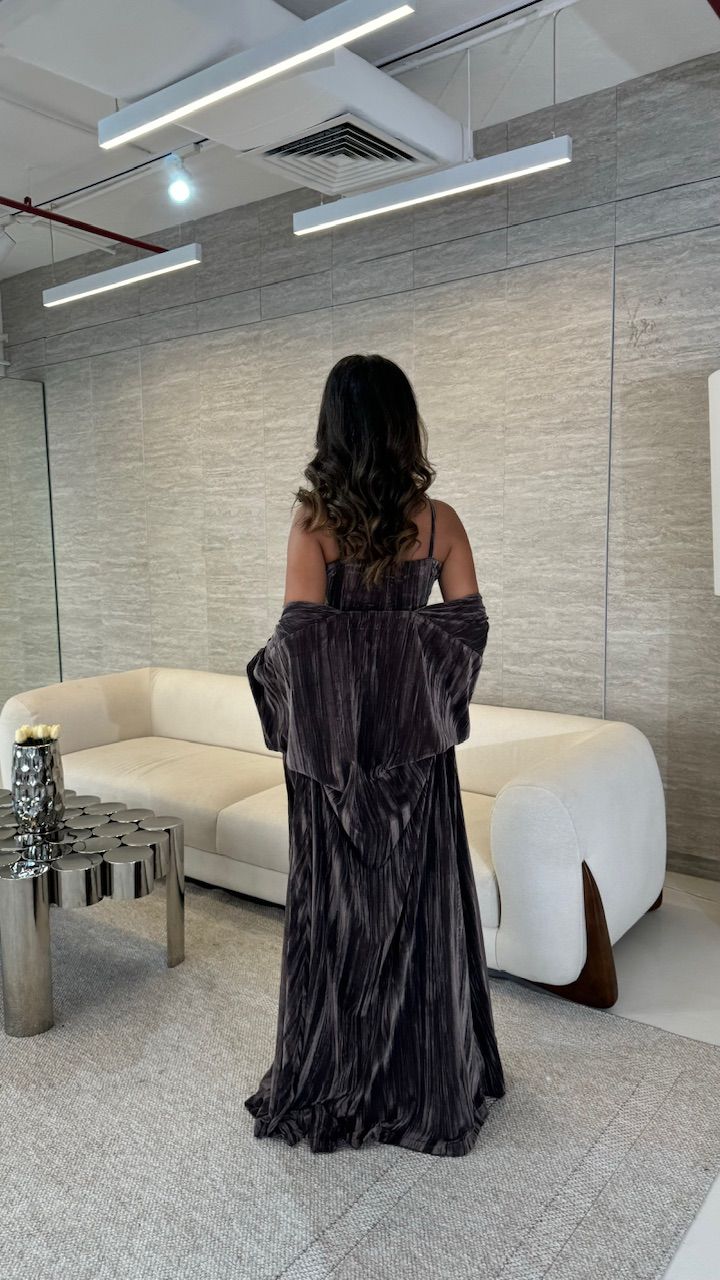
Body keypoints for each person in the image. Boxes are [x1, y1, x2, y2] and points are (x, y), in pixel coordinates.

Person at [244, 353, 506, 1157]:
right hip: (417, 759)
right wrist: (404, 668)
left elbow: (301, 640)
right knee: (420, 922)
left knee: (338, 923)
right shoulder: (440, 522)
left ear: (334, 429)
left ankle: (338, 1076)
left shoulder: (313, 525)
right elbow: (466, 630)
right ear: (402, 426)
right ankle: (426, 1081)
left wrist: (319, 675)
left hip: (333, 765)